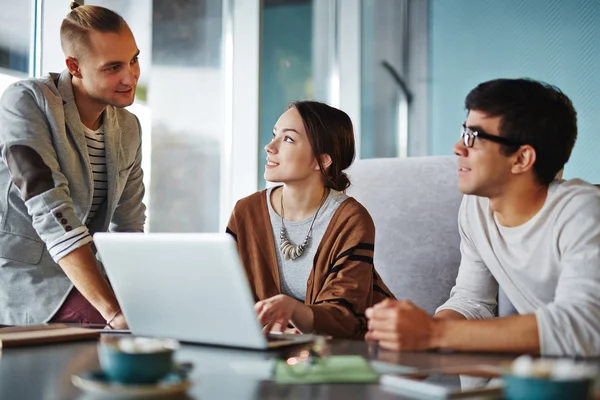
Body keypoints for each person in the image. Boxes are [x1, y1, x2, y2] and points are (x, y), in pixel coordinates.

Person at [365, 78, 600, 357]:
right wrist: (419, 341)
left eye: (473, 137)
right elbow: (472, 302)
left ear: (522, 159)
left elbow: (584, 324)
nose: (457, 148)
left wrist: (433, 333)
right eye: (464, 132)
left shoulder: (583, 211)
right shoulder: (476, 207)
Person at [0, 2, 145, 328]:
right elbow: (50, 210)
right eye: (113, 67)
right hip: (22, 279)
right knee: (109, 327)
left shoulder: (129, 128)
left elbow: (130, 226)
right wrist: (113, 312)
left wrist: (142, 297)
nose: (130, 76)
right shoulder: (26, 102)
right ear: (74, 67)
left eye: (134, 60)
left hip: (87, 276)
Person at [226, 101, 394, 339]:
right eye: (275, 135)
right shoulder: (246, 211)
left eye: (288, 139)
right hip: (275, 347)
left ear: (322, 160)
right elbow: (229, 293)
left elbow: (344, 318)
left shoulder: (351, 220)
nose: (269, 146)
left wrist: (293, 310)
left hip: (351, 352)